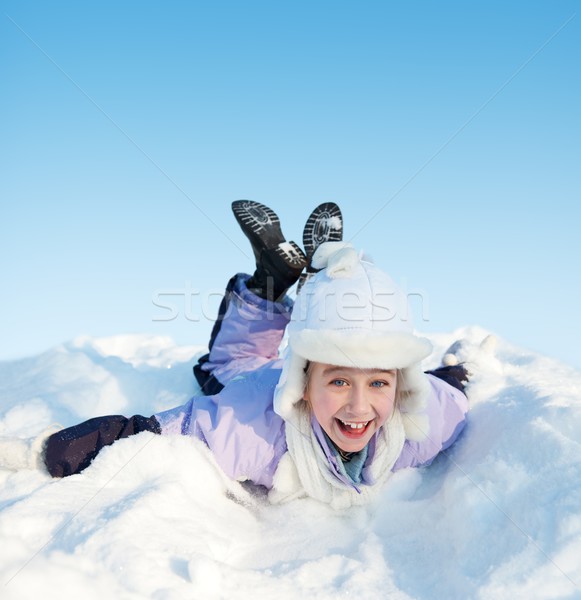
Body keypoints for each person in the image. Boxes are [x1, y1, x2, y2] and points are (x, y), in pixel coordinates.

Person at [0, 201, 470, 509]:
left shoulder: (421, 422)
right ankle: (278, 280)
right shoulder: (251, 429)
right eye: (339, 381)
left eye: (379, 383)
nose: (360, 406)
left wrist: (462, 369)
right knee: (225, 368)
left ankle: (277, 279)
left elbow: (448, 388)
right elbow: (148, 432)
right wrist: (51, 452)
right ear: (305, 382)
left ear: (401, 384)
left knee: (246, 357)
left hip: (283, 375)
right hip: (259, 385)